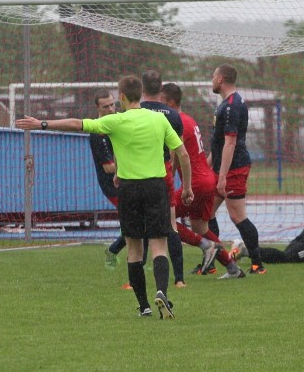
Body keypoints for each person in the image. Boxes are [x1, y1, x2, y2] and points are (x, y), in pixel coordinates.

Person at [16, 75, 193, 319]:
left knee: (134, 249)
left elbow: (77, 124)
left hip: (129, 189)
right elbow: (182, 153)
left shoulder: (114, 121)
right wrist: (187, 188)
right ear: (141, 95)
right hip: (156, 187)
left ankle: (144, 306)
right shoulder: (159, 120)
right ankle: (162, 291)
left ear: (120, 97)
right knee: (159, 244)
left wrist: (41, 124)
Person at [160, 82, 243, 276]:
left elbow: (174, 157)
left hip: (197, 183)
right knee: (200, 226)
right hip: (207, 179)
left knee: (165, 219)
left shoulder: (176, 123)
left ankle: (206, 246)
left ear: (170, 103)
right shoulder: (189, 119)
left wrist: (167, 184)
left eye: (162, 102)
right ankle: (232, 268)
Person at [209, 64, 265, 279]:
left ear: (221, 79)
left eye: (213, 76)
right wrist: (208, 165)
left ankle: (257, 264)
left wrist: (222, 176)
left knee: (237, 216)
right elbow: (219, 142)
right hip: (223, 168)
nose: (211, 80)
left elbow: (230, 143)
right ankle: (211, 262)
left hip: (233, 169)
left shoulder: (232, 105)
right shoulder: (226, 104)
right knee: (206, 214)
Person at [140, 70, 187, 287]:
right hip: (163, 172)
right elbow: (177, 150)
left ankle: (135, 280)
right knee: (171, 225)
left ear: (142, 89)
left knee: (139, 228)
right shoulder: (172, 115)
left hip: (138, 173)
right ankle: (179, 280)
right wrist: (176, 175)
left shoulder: (136, 111)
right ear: (161, 89)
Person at [88, 89, 126, 271]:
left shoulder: (119, 122)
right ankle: (115, 252)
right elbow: (108, 167)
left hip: (127, 180)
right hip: (113, 186)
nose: (111, 109)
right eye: (106, 106)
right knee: (137, 224)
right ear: (98, 108)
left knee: (138, 223)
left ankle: (115, 251)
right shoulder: (98, 131)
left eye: (113, 104)